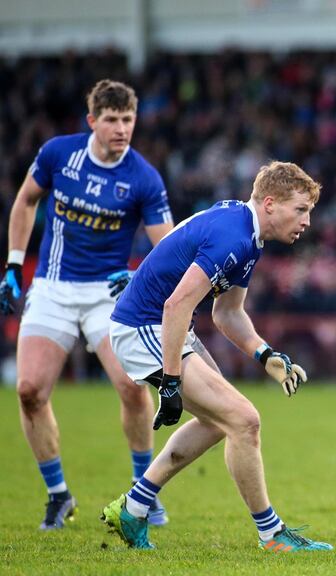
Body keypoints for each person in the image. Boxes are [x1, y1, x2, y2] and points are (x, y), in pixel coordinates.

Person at [100, 161, 332, 552]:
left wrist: (265, 355)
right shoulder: (234, 237)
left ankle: (134, 508)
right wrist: (171, 382)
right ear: (271, 203)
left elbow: (226, 313)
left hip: (163, 326)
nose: (307, 221)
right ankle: (271, 535)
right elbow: (175, 306)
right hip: (146, 327)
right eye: (301, 209)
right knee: (245, 420)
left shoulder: (249, 236)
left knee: (219, 421)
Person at [0, 79, 178, 530]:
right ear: (92, 121)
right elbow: (24, 201)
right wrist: (13, 263)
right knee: (29, 391)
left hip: (109, 295)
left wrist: (139, 275)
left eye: (128, 120)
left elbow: (170, 249)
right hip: (54, 287)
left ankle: (143, 495)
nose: (121, 129)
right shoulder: (59, 154)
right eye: (113, 120)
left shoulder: (144, 177)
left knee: (133, 387)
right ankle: (59, 496)